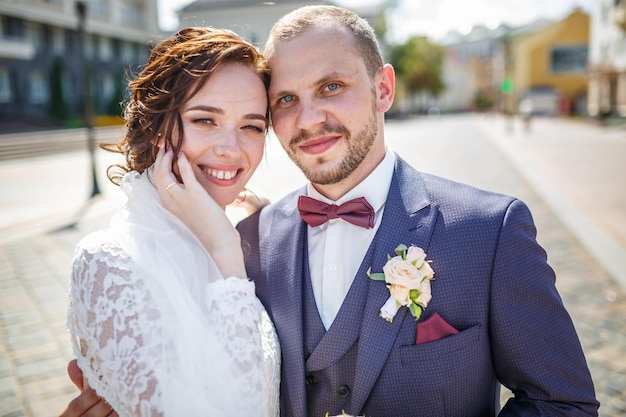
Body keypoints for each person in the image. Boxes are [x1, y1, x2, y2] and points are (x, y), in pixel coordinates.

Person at [62, 6, 599, 417]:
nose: (309, 118)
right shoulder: (247, 242)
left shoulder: (488, 231)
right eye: (286, 100)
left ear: (383, 88)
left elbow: (562, 402)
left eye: (332, 87)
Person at [63, 27, 279, 417]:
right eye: (205, 120)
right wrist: (224, 251)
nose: (231, 150)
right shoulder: (110, 262)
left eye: (251, 126)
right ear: (159, 126)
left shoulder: (254, 226)